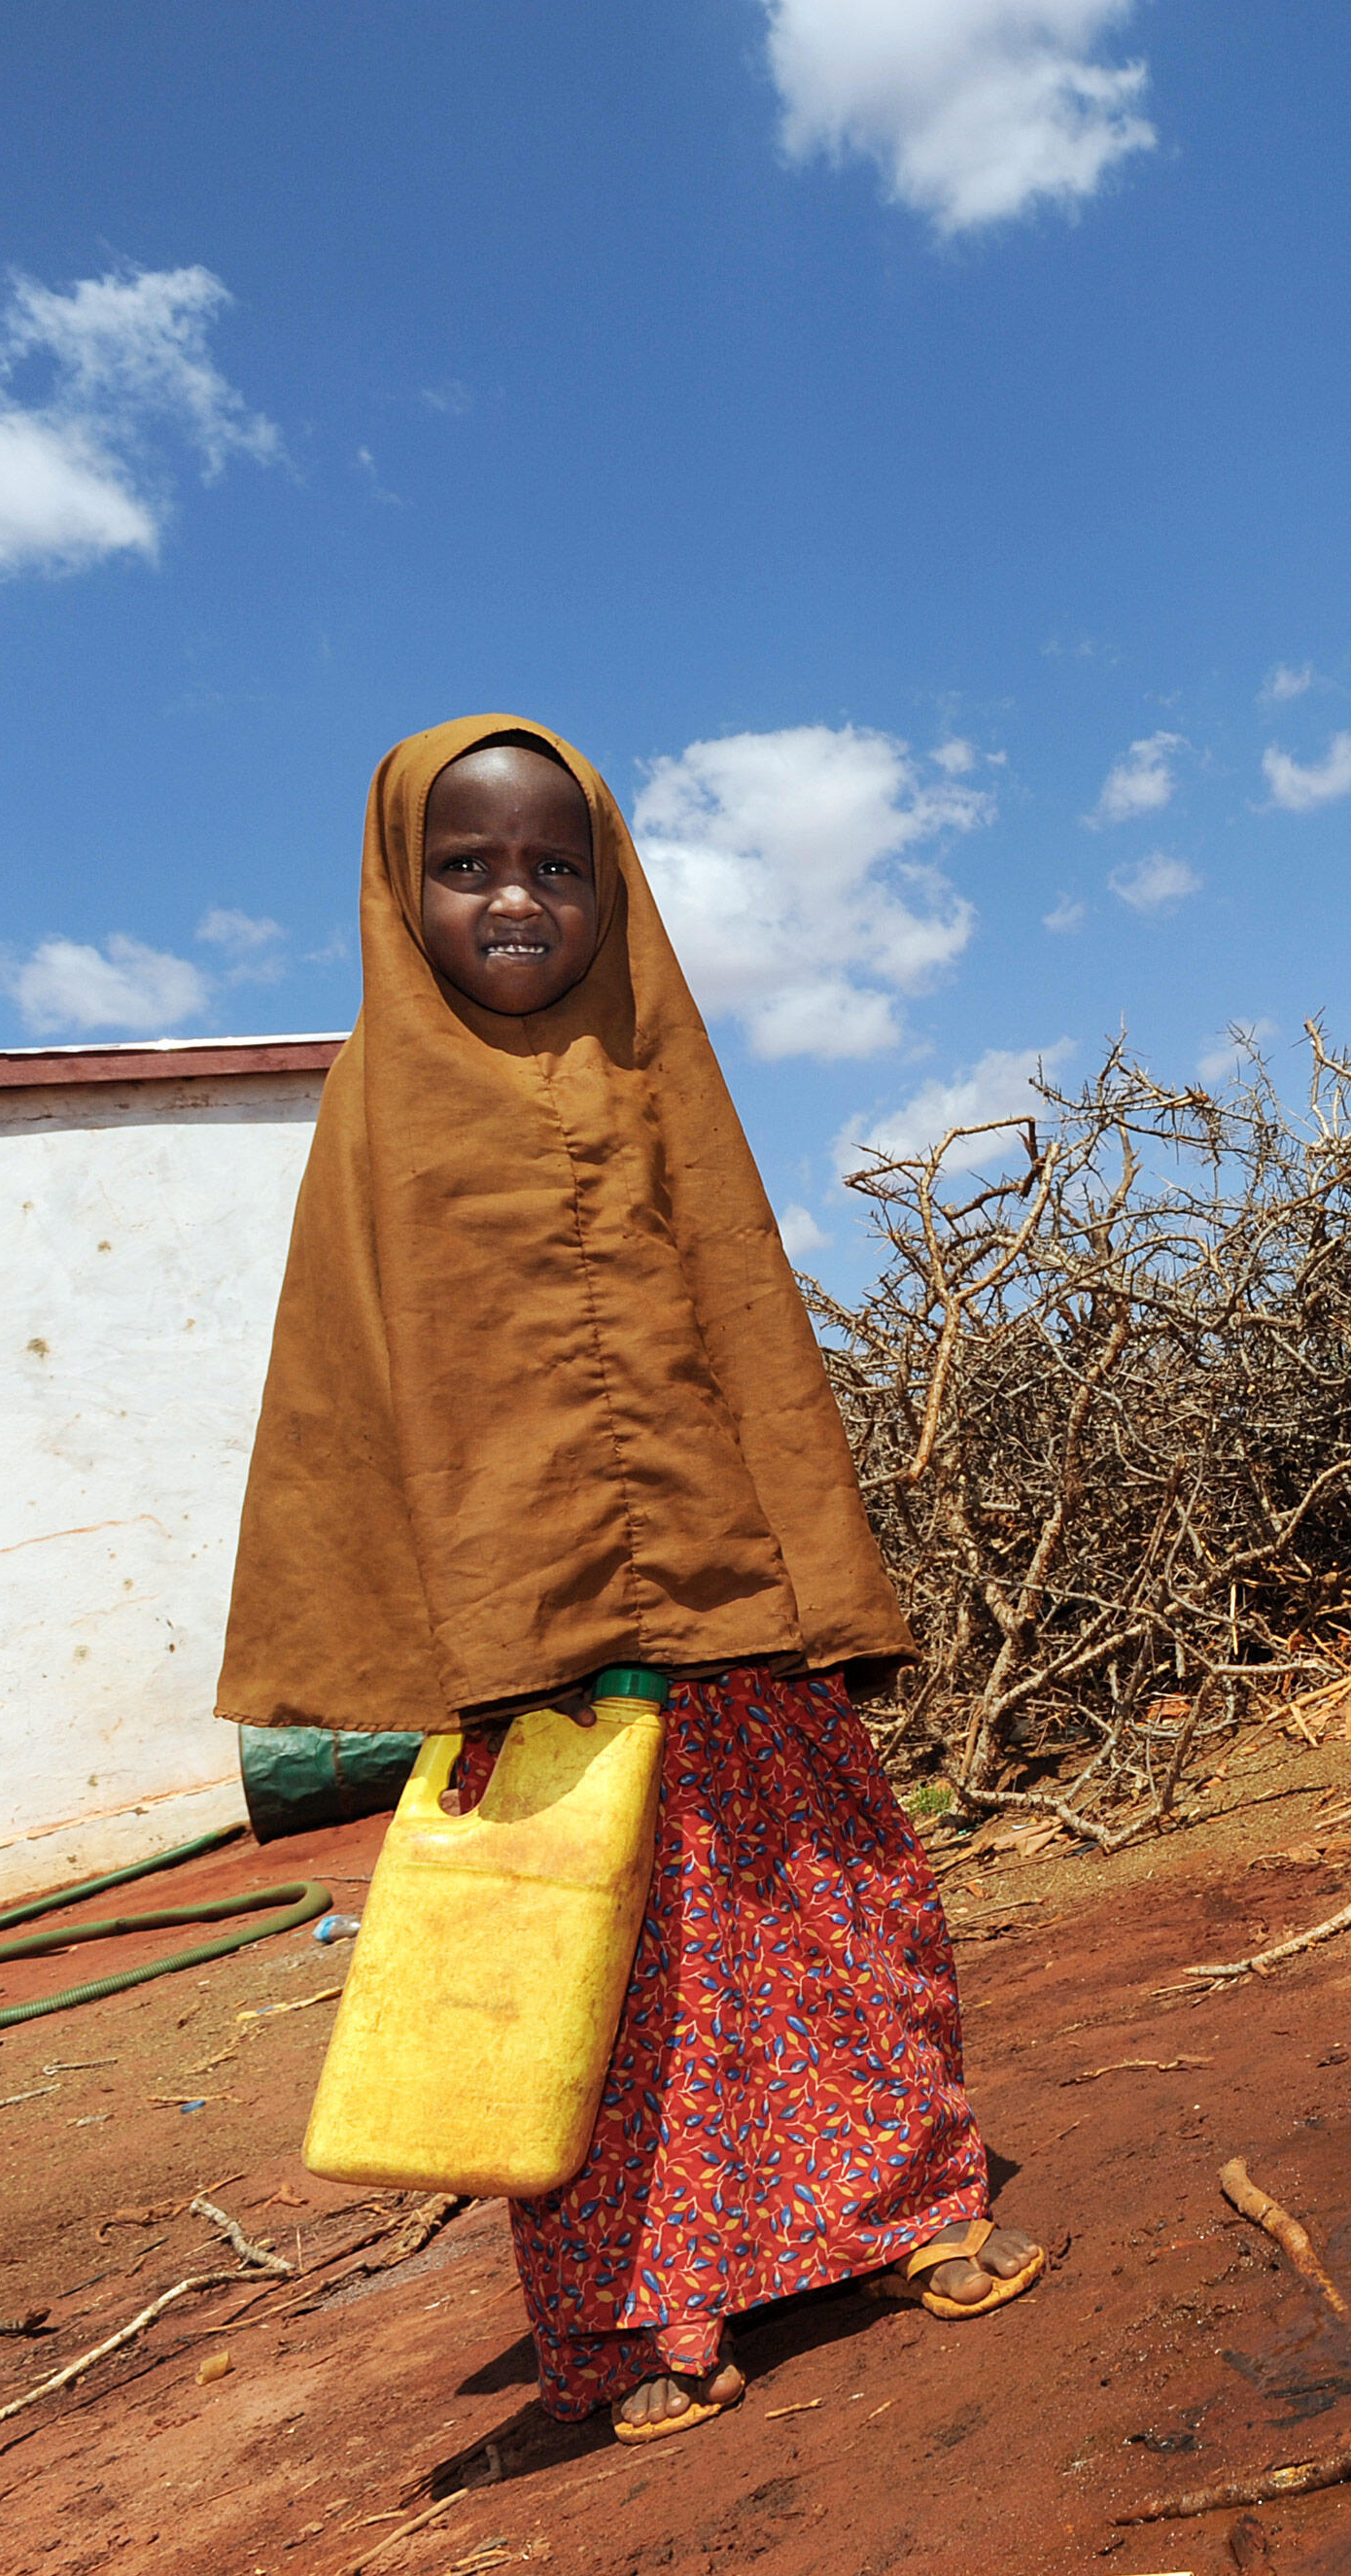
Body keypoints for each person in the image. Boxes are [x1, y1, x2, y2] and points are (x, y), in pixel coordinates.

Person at [219, 715, 1043, 2441]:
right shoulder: (375, 1123)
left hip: (735, 1628)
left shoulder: (666, 1073)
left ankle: (900, 2216)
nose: (514, 898)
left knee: (830, 1922)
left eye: (554, 864)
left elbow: (748, 1326)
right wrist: (453, 1645)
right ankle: (639, 2322)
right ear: (400, 889)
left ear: (612, 888)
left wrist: (811, 1576)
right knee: (583, 1999)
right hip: (535, 1664)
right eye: (468, 868)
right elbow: (348, 1408)